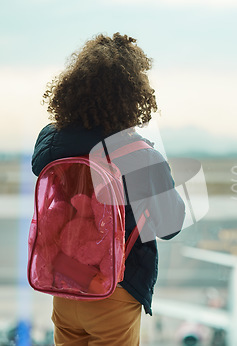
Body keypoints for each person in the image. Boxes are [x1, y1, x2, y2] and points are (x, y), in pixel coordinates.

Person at [31, 32, 185, 346]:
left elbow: (41, 166)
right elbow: (171, 226)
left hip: (65, 282)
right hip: (112, 288)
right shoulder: (141, 156)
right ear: (133, 97)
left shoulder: (51, 140)